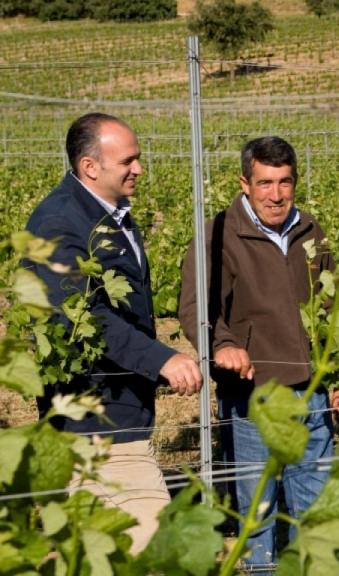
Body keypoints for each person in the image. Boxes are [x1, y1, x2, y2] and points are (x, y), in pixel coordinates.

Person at [25, 112, 202, 554]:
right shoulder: (60, 223)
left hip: (118, 413)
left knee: (99, 555)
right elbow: (81, 317)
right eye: (128, 160)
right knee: (155, 549)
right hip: (95, 426)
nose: (138, 169)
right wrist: (160, 358)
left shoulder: (107, 213)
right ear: (90, 167)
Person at [178, 136, 336, 568]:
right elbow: (195, 307)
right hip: (251, 393)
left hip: (311, 390)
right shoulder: (216, 235)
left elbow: (331, 309)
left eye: (285, 182)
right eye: (265, 183)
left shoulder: (310, 229)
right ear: (244, 183)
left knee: (315, 501)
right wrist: (223, 344)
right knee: (257, 511)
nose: (277, 195)